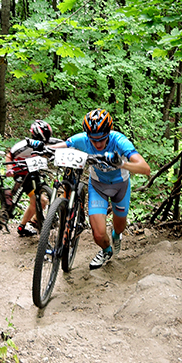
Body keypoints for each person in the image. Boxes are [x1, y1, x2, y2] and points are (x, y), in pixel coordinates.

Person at [51, 109, 150, 269]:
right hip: (98, 187)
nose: (97, 144)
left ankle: (116, 235)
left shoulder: (119, 140)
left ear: (108, 133)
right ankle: (106, 250)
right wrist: (39, 147)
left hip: (120, 186)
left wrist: (122, 164)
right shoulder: (82, 139)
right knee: (97, 234)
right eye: (93, 140)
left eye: (102, 139)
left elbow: (145, 168)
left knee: (119, 227)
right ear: (88, 136)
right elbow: (59, 146)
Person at [6, 120, 60, 237]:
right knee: (41, 201)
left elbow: (64, 144)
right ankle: (33, 221)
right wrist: (9, 169)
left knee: (39, 201)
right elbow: (9, 154)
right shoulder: (23, 145)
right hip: (22, 173)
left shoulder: (48, 141)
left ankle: (23, 226)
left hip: (34, 171)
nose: (44, 143)